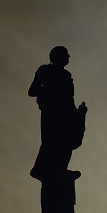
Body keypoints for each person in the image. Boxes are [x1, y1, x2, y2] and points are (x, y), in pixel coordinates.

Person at [28, 46, 87, 180]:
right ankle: (40, 169)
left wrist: (78, 113)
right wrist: (50, 94)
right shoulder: (45, 70)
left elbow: (69, 98)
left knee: (66, 142)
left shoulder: (66, 76)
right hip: (53, 112)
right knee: (52, 141)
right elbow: (32, 91)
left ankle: (60, 169)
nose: (68, 58)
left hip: (66, 112)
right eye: (65, 55)